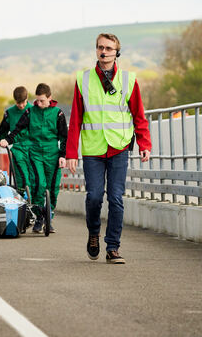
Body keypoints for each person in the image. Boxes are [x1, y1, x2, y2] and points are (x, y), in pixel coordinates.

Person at [66, 33, 152, 264]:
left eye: (108, 48)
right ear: (96, 50)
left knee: (115, 198)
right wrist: (71, 153)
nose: (104, 52)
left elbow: (138, 114)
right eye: (100, 48)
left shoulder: (128, 80)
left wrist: (144, 143)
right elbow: (75, 119)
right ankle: (94, 233)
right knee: (94, 197)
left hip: (119, 146)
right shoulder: (83, 79)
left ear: (117, 53)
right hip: (93, 148)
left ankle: (112, 247)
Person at [0, 83, 67, 233]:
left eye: (42, 101)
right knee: (39, 185)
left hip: (52, 155)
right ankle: (39, 217)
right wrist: (7, 140)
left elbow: (64, 137)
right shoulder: (30, 112)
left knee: (53, 189)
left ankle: (48, 216)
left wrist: (63, 156)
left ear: (50, 98)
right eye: (37, 100)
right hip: (35, 153)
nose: (39, 103)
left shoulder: (58, 113)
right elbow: (18, 129)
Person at [0, 86, 32, 194]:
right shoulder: (9, 113)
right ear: (14, 101)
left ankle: (39, 205)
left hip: (33, 148)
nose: (21, 106)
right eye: (19, 103)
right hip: (18, 149)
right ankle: (24, 201)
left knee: (36, 179)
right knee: (23, 178)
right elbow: (2, 133)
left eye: (24, 102)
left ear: (27, 99)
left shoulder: (34, 111)